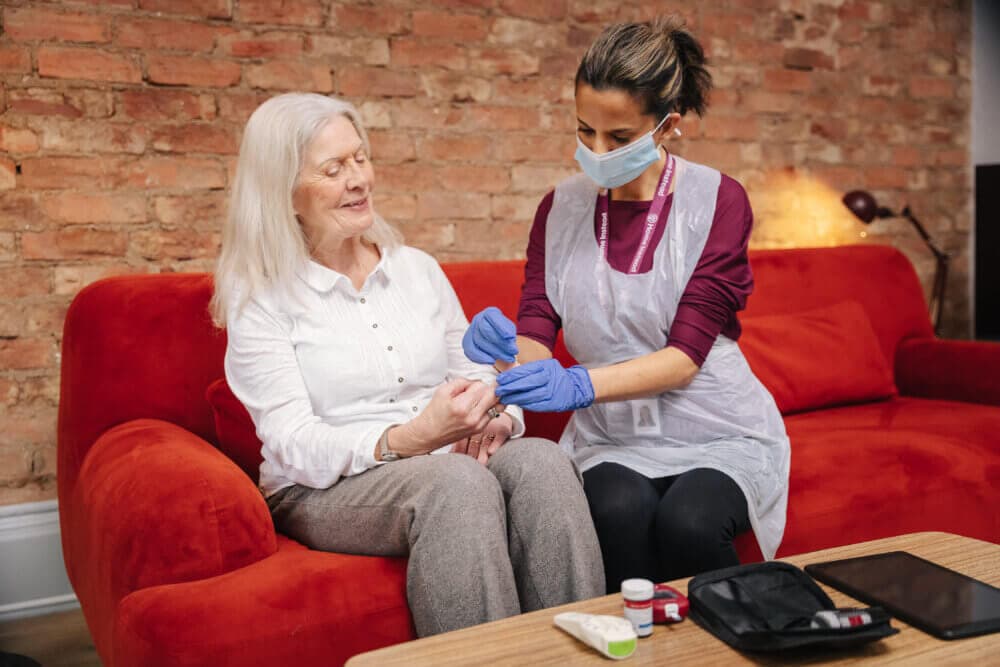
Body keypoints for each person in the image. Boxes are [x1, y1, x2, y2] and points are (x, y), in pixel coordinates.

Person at [210, 92, 604, 636]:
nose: (358, 179)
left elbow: (477, 372)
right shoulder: (261, 299)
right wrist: (410, 437)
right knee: (454, 485)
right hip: (325, 487)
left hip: (445, 457)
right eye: (333, 168)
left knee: (541, 463)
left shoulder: (416, 269)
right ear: (284, 192)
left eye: (360, 157)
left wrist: (496, 419)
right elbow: (291, 442)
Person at [462, 17, 790, 592]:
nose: (596, 151)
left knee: (691, 522)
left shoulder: (716, 200)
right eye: (585, 130)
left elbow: (686, 355)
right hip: (613, 437)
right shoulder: (559, 209)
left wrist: (580, 384)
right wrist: (511, 352)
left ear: (668, 126)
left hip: (714, 427)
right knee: (614, 512)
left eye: (618, 138)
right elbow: (538, 322)